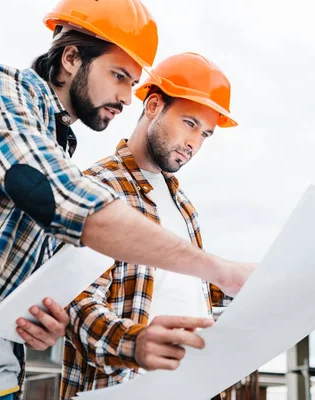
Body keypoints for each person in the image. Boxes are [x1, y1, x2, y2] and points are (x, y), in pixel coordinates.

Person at [0, 1, 253, 399]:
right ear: (70, 57)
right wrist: (218, 269)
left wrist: (46, 321)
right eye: (118, 76)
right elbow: (65, 200)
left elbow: (41, 290)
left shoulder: (60, 151)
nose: (125, 97)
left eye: (132, 81)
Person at [60, 52, 241, 400]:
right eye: (190, 123)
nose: (194, 144)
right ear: (154, 105)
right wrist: (135, 344)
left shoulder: (184, 206)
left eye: (205, 134)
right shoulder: (98, 186)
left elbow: (189, 295)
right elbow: (77, 305)